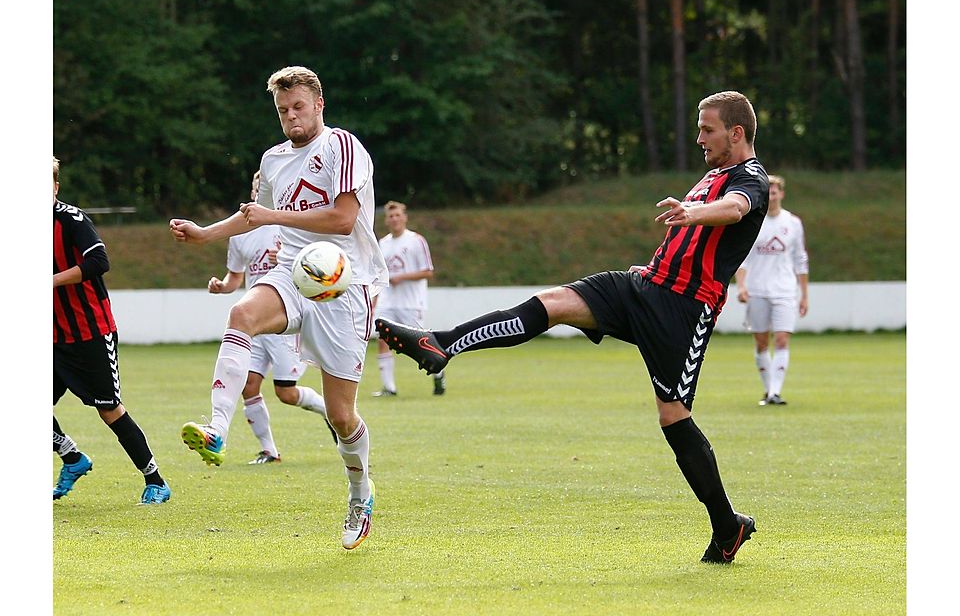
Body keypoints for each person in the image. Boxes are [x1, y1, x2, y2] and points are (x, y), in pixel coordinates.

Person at [377, 91, 768, 564]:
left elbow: (736, 209)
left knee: (673, 416)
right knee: (552, 302)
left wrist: (694, 213)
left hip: (682, 312)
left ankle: (726, 527)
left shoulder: (751, 178)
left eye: (707, 129)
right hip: (641, 285)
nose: (699, 137)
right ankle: (440, 344)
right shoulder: (712, 173)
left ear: (736, 133)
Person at [170, 65, 387, 550]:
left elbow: (343, 218)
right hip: (292, 270)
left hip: (342, 285)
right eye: (282, 109)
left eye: (298, 107)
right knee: (241, 315)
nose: (290, 116)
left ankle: (359, 493)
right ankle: (216, 430)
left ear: (318, 105)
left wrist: (271, 216)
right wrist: (205, 233)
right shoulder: (272, 160)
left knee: (341, 414)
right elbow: (253, 218)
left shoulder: (342, 146)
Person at [53, 156, 171, 505]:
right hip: (51, 337)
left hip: (91, 333)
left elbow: (99, 262)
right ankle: (73, 459)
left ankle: (156, 480)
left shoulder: (71, 220)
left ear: (55, 187)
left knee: (109, 410)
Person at [207, 170, 338, 465]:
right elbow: (236, 277)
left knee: (286, 393)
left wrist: (292, 258)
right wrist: (222, 286)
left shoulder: (290, 226)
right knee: (248, 386)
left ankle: (330, 412)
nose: (260, 189)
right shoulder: (241, 232)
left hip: (283, 318)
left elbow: (318, 268)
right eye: (256, 185)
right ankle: (269, 450)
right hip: (254, 322)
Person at [734, 175, 809, 406]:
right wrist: (742, 285)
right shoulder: (753, 223)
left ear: (781, 194)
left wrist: (804, 294)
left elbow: (800, 259)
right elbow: (742, 259)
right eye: (768, 192)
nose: (771, 196)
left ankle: (775, 392)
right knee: (761, 342)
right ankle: (768, 390)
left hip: (785, 290)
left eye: (775, 192)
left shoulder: (793, 223)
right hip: (757, 290)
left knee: (782, 339)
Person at [372, 200, 445, 397]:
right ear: (386, 220)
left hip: (411, 302)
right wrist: (374, 301)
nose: (394, 219)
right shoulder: (383, 243)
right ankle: (389, 387)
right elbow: (380, 275)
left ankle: (438, 373)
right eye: (390, 216)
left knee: (420, 343)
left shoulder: (416, 240)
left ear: (405, 217)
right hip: (389, 301)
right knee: (383, 338)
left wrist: (401, 277)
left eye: (398, 215)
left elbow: (428, 271)